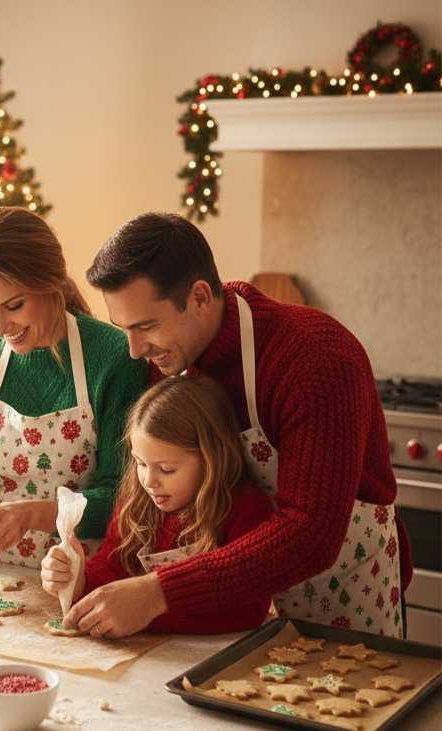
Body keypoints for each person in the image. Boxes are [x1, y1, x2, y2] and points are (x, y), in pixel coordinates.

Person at [81, 211, 412, 638]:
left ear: (199, 297)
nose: (134, 349)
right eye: (124, 328)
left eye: (146, 326)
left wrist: (157, 593)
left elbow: (310, 534)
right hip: (235, 610)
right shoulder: (169, 359)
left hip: (344, 591)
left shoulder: (316, 358)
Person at [0, 207, 147, 569]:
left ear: (51, 281)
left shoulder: (114, 357)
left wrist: (34, 515)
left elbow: (121, 496)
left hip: (88, 576)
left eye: (13, 305)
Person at [42, 376, 275, 635]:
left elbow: (250, 608)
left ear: (211, 459)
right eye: (141, 463)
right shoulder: (138, 502)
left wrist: (148, 613)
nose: (149, 481)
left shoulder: (245, 510)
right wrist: (79, 581)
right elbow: (114, 565)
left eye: (166, 469)